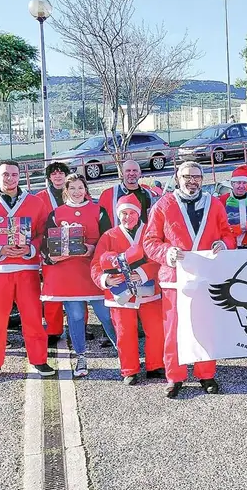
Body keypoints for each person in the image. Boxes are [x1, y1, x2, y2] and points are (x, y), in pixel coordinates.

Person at [143, 162, 235, 398]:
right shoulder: (163, 205)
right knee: (174, 330)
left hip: (206, 277)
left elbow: (228, 233)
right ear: (177, 177)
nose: (191, 181)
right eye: (186, 176)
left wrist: (224, 244)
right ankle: (175, 376)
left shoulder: (214, 204)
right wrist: (166, 253)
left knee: (206, 328)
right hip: (175, 279)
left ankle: (206, 374)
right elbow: (150, 241)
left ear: (202, 180)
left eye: (196, 177)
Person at [0, 161, 55, 382]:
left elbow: (46, 233)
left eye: (14, 174)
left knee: (33, 317)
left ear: (20, 176)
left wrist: (31, 247)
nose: (10, 178)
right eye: (5, 174)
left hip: (27, 269)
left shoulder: (35, 203)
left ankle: (39, 359)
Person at [40, 174, 116, 377]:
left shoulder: (98, 211)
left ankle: (124, 351)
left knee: (106, 315)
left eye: (80, 188)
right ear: (65, 190)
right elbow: (46, 243)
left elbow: (108, 239)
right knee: (76, 316)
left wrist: (92, 249)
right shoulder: (56, 214)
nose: (76, 192)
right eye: (72, 188)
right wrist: (52, 257)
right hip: (67, 274)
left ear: (86, 189)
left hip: (93, 271)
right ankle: (81, 357)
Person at [91, 194, 165, 385]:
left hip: (149, 291)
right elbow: (95, 265)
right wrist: (105, 279)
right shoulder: (109, 235)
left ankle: (155, 365)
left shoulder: (150, 232)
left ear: (138, 214)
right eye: (124, 213)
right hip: (120, 294)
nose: (128, 217)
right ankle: (129, 369)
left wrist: (142, 272)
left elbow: (159, 259)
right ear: (118, 215)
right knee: (124, 333)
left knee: (156, 330)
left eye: (132, 213)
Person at [37, 161, 72, 341]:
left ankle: (79, 327)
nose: (58, 176)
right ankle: (52, 329)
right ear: (49, 177)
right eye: (54, 174)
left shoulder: (77, 192)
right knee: (52, 293)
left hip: (75, 250)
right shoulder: (40, 197)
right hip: (50, 249)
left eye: (61, 173)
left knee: (78, 291)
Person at [98, 160, 154, 234]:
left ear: (140, 173)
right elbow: (101, 223)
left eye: (135, 170)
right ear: (122, 173)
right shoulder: (108, 194)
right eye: (128, 171)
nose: (131, 173)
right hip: (118, 239)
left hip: (141, 239)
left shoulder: (148, 194)